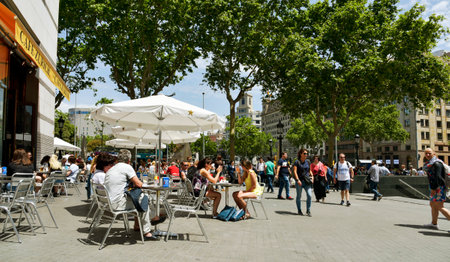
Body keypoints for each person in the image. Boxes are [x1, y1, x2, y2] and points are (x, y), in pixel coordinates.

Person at [104, 149, 162, 241]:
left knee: (138, 198)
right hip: (118, 204)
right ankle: (147, 231)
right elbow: (139, 184)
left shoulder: (113, 168)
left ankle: (138, 224)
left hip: (110, 202)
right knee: (144, 199)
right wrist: (151, 185)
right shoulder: (127, 167)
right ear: (129, 160)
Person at [422, 148, 450, 230]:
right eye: (426, 153)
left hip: (438, 187)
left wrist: (434, 188)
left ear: (434, 153)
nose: (427, 155)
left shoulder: (437, 163)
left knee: (439, 206)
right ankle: (434, 224)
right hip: (435, 187)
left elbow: (438, 178)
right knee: (432, 204)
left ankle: (434, 223)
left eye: (429, 153)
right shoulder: (430, 163)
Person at [293, 149, 312, 216]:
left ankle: (308, 210)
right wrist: (297, 180)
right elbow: (295, 171)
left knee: (309, 195)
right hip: (300, 181)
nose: (306, 155)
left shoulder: (308, 161)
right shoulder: (297, 162)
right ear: (301, 154)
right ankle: (299, 210)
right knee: (299, 196)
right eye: (304, 153)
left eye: (306, 153)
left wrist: (312, 176)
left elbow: (309, 171)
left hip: (307, 181)